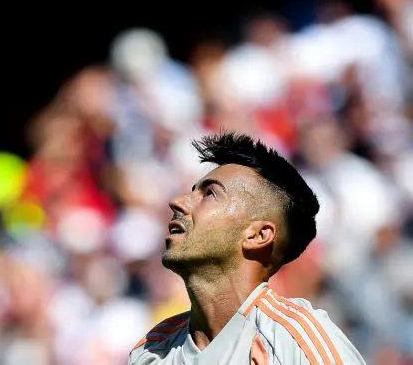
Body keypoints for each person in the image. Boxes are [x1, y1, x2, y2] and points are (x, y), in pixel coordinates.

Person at [128, 132, 365, 364]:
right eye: (192, 192)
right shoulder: (151, 351)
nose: (178, 202)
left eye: (210, 193)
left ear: (258, 235)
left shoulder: (297, 342)